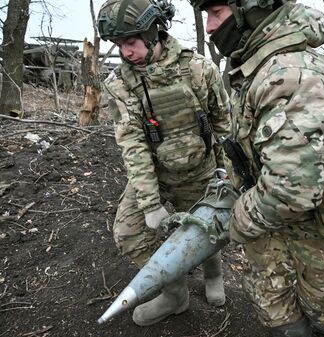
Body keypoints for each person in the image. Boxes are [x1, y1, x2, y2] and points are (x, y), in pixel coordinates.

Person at [187, 1, 324, 336]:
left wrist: (234, 221)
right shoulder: (264, 65)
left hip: (317, 231)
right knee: (275, 310)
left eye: (216, 13)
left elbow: (290, 190)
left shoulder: (289, 74)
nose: (209, 27)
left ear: (249, 12)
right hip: (276, 221)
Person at [97, 0, 231, 327]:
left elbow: (224, 123)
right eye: (119, 45)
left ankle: (213, 272)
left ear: (153, 32)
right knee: (128, 234)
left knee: (207, 230)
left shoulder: (200, 69)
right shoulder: (121, 84)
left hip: (200, 171)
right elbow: (133, 143)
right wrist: (149, 202)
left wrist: (227, 173)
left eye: (131, 42)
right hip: (156, 175)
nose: (125, 52)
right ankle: (175, 293)